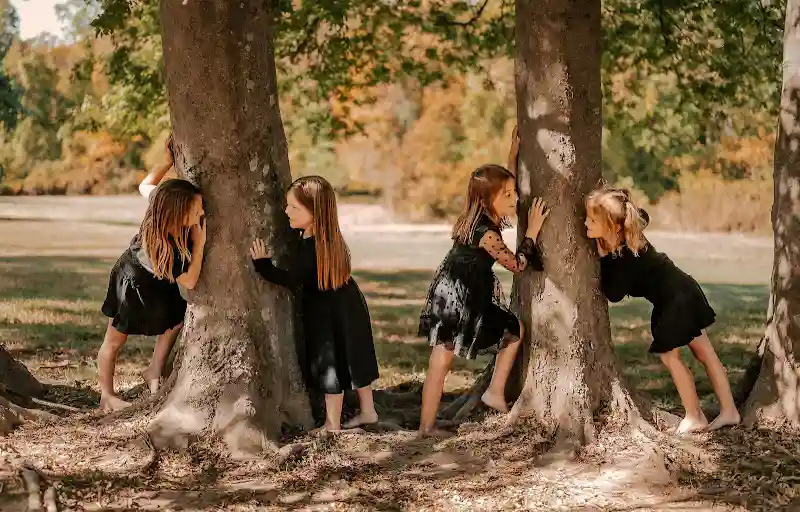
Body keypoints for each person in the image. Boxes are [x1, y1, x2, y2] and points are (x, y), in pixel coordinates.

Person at [585, 186, 740, 434]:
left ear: (614, 227)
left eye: (592, 220)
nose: (586, 223)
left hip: (676, 300)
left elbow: (613, 294)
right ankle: (728, 411)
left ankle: (695, 416)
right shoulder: (630, 232)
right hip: (682, 290)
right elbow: (640, 215)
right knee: (705, 353)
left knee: (672, 356)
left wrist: (603, 255)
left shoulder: (627, 253)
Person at [417, 158, 549, 438]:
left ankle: (430, 425)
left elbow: (502, 179)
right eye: (508, 195)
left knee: (442, 360)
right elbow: (517, 265)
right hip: (461, 298)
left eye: (514, 192)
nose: (515, 199)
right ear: (489, 198)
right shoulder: (487, 234)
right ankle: (491, 393)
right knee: (512, 331)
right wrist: (533, 230)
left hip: (449, 292)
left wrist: (514, 153)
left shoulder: (472, 218)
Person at [250, 175, 380, 432]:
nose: (286, 211)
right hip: (348, 305)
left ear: (315, 212)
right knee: (354, 358)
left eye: (294, 207)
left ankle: (332, 424)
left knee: (331, 366)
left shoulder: (311, 247)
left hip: (326, 313)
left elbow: (290, 279)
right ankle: (368, 410)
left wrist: (262, 264)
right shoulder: (329, 239)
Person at [97, 135, 206, 412]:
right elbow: (190, 280)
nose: (202, 213)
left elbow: (145, 185)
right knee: (114, 340)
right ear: (176, 215)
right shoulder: (172, 250)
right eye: (196, 211)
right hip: (133, 281)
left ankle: (154, 371)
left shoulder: (160, 203)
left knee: (175, 320)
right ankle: (106, 395)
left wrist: (167, 162)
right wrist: (201, 243)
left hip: (157, 280)